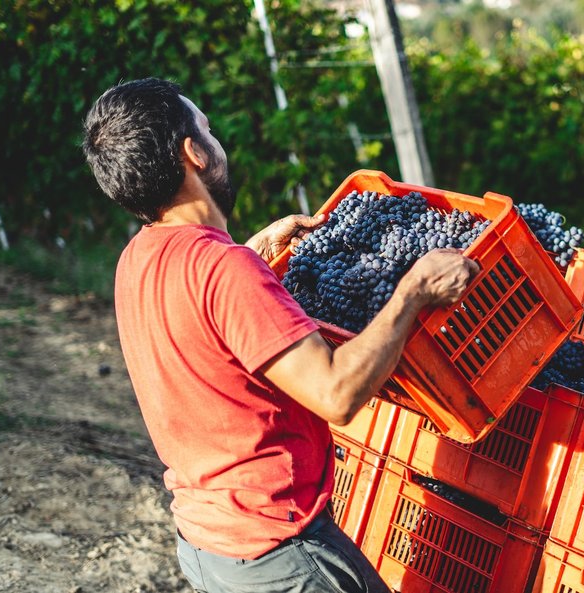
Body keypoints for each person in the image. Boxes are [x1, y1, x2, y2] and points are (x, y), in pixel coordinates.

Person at [82, 77, 479, 593]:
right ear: (193, 154)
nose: (216, 140)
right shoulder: (225, 272)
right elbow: (336, 394)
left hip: (208, 545)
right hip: (279, 558)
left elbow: (203, 317)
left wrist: (251, 251)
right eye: (208, 129)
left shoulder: (138, 258)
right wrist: (413, 293)